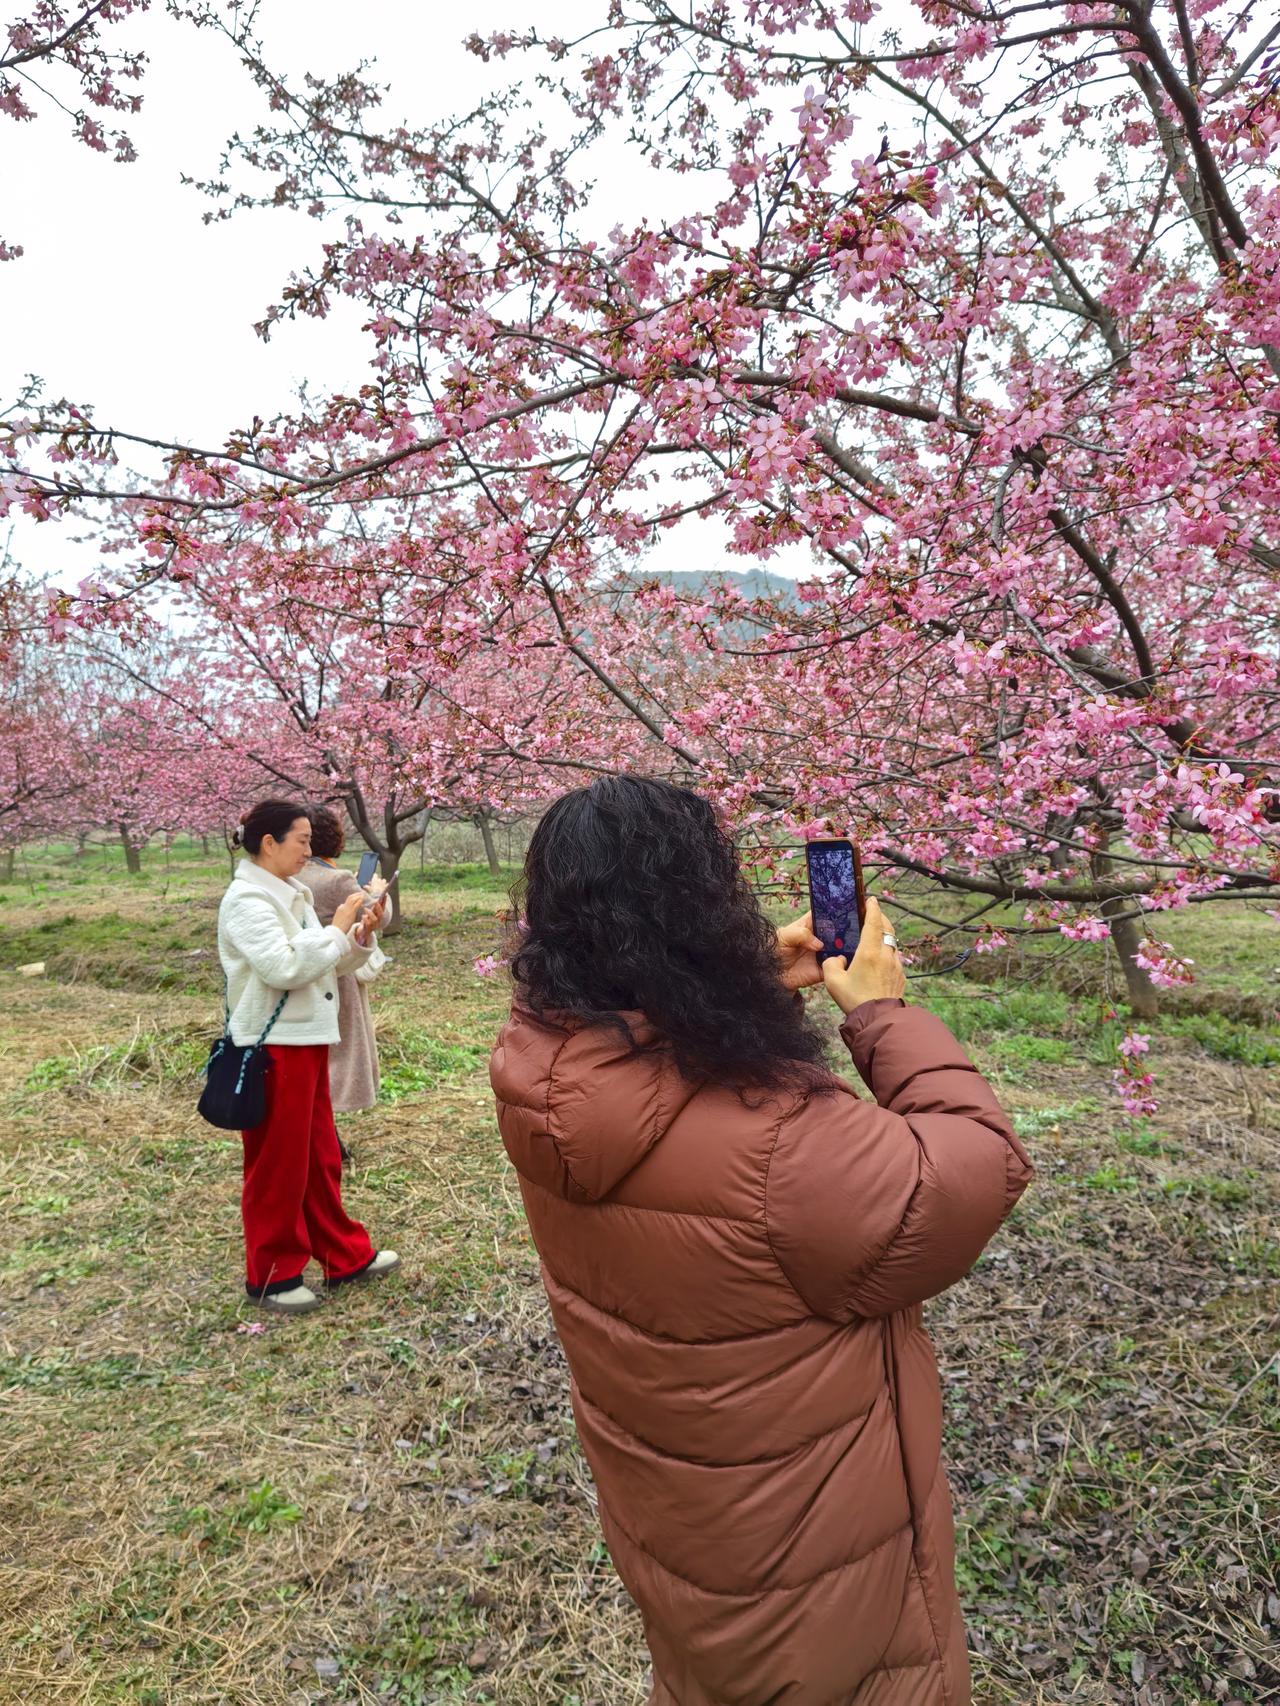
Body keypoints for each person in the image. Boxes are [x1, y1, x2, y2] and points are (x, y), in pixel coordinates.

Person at [489, 777, 1033, 1706]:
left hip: (680, 1503)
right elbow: (977, 1167)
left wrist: (740, 986)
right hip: (811, 1537)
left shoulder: (544, 1065)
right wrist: (883, 1016)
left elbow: (667, 1084)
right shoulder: (778, 1139)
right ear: (703, 905)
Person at [218, 798, 401, 1315]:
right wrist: (338, 924)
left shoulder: (289, 893)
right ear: (269, 843)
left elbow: (325, 961)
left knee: (318, 1157)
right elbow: (283, 966)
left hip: (306, 1040)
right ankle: (271, 1274)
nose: (308, 849)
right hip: (273, 1046)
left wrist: (359, 935)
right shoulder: (248, 901)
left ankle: (343, 1255)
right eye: (300, 840)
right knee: (278, 1163)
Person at [304, 807, 389, 1156]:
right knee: (337, 1060)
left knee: (315, 1062)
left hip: (306, 972)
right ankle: (328, 1141)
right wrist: (377, 890)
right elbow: (380, 919)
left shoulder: (291, 876)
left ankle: (321, 1137)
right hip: (337, 974)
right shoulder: (337, 882)